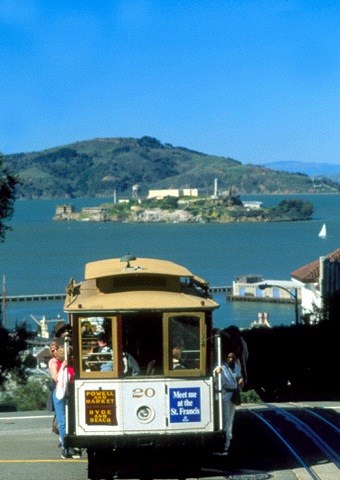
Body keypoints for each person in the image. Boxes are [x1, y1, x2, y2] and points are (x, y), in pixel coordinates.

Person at [48, 339, 79, 459]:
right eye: (52, 350)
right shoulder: (54, 363)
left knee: (70, 421)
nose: (54, 352)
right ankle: (66, 447)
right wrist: (63, 366)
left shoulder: (68, 363)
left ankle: (70, 445)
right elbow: (57, 378)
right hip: (60, 392)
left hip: (68, 392)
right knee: (62, 422)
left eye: (56, 350)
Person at [214, 351, 244, 455]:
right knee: (226, 419)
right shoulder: (220, 366)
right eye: (229, 357)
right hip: (225, 395)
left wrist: (240, 380)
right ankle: (225, 445)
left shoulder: (236, 366)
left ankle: (228, 444)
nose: (231, 359)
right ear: (225, 357)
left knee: (230, 419)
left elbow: (239, 376)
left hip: (234, 395)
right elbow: (214, 375)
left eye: (233, 357)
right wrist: (216, 372)